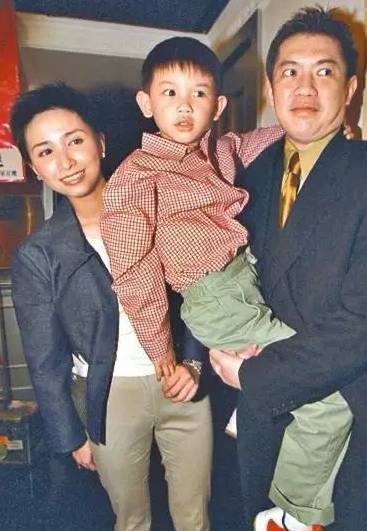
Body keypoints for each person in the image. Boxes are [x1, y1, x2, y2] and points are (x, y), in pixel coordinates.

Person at [101, 37, 354, 531]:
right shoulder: (137, 177)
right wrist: (160, 349)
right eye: (170, 93)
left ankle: (250, 399)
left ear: (217, 107)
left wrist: (321, 129)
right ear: (146, 103)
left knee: (305, 357)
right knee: (329, 397)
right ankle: (292, 513)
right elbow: (134, 271)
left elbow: (252, 142)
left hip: (246, 279)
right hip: (214, 297)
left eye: (198, 94)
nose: (184, 106)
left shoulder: (217, 149)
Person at [209, 6, 367, 531]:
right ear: (270, 87)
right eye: (290, 71)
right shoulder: (245, 181)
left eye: (324, 70)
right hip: (265, 419)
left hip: (353, 417)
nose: (304, 86)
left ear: (350, 88)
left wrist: (256, 373)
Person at [10, 83, 212, 531]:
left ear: (100, 142)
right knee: (131, 519)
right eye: (46, 152)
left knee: (195, 516)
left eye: (75, 141)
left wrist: (195, 362)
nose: (65, 162)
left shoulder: (159, 209)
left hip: (180, 381)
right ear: (34, 168)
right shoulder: (38, 255)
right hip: (109, 396)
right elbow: (44, 360)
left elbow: (202, 291)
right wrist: (71, 436)